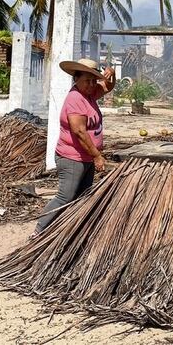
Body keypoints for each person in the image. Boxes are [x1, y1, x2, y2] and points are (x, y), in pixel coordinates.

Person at [32, 58, 116, 237]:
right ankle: (39, 230)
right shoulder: (75, 98)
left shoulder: (89, 94)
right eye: (87, 80)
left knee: (82, 196)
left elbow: (108, 87)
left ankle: (68, 231)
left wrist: (112, 75)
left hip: (86, 157)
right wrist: (97, 156)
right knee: (65, 196)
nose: (92, 84)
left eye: (94, 80)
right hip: (72, 157)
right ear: (76, 78)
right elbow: (79, 132)